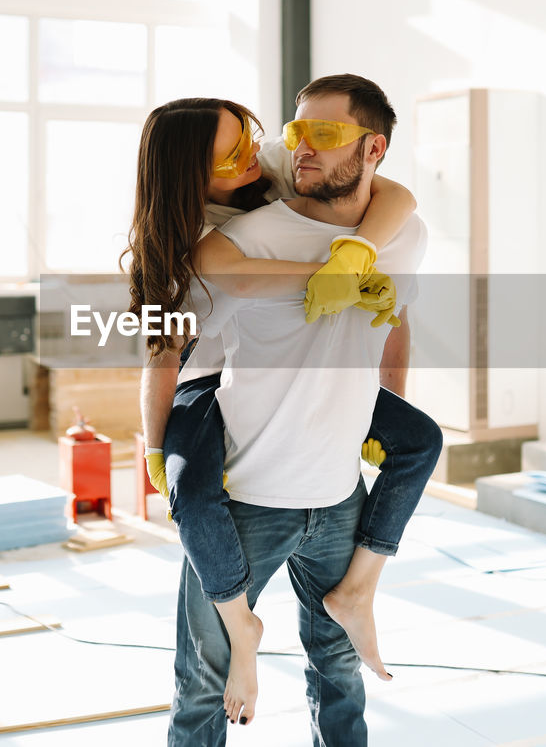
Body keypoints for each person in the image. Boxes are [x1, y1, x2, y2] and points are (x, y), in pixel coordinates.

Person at [126, 75, 439, 744]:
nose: (260, 157)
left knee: (420, 441)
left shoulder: (281, 165)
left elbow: (399, 197)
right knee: (193, 490)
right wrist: (152, 443)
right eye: (231, 157)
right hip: (205, 383)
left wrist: (355, 254)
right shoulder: (196, 243)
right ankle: (242, 627)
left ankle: (359, 588)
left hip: (331, 482)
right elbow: (171, 343)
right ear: (192, 181)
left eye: (255, 138)